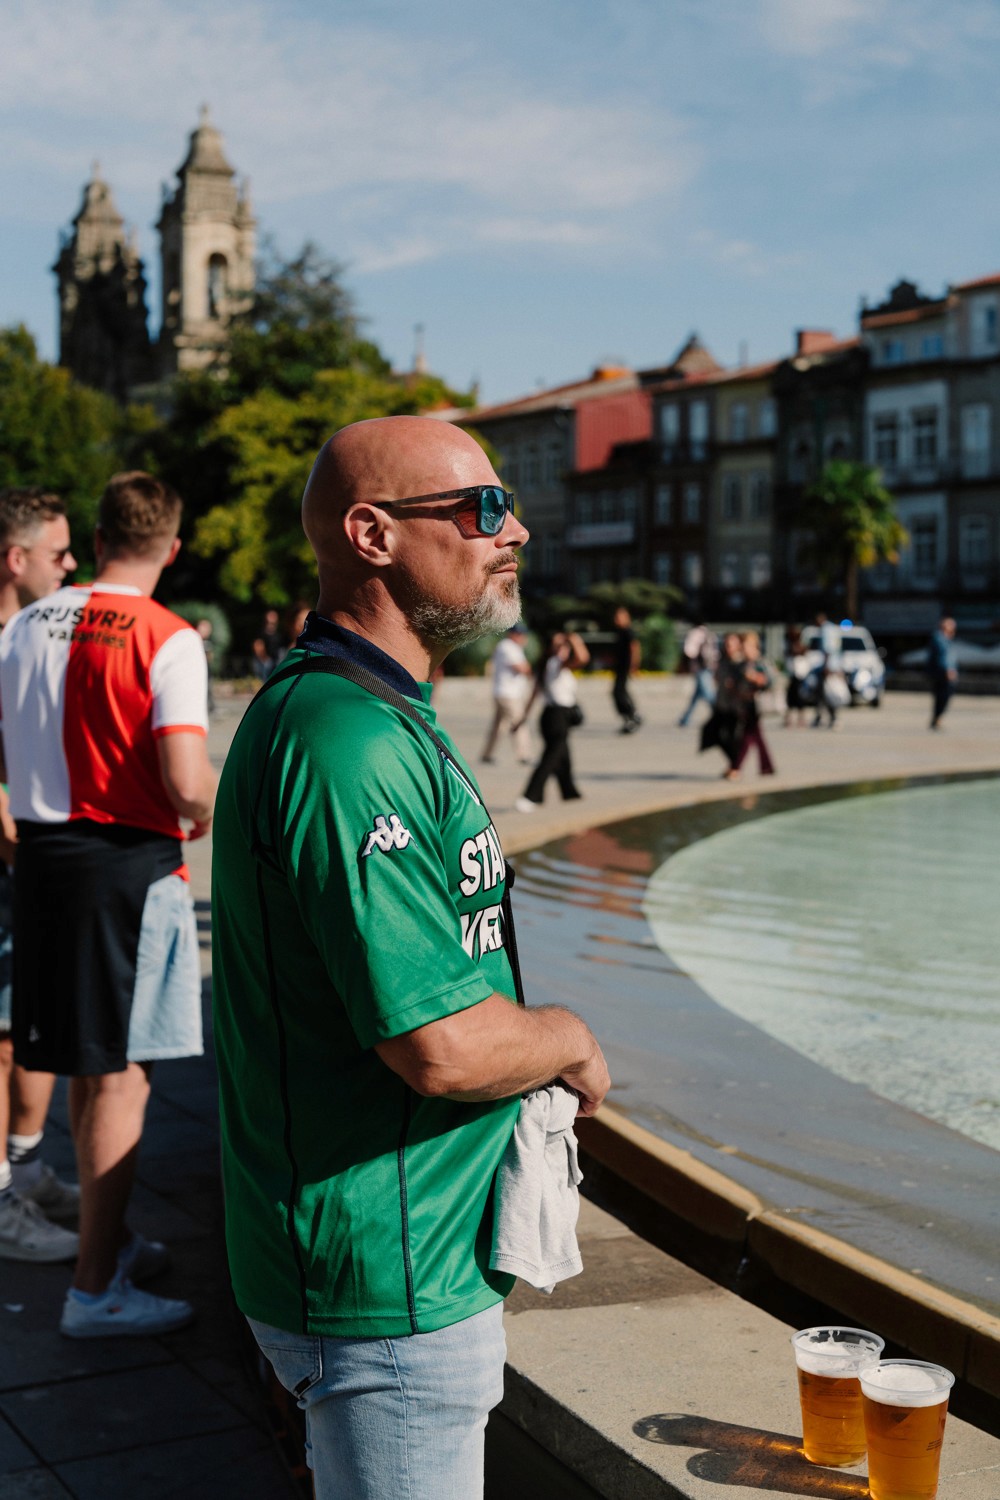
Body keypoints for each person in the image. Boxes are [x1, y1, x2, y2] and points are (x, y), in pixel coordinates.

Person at [211, 416, 610, 1500]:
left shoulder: (377, 711)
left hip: (408, 1253)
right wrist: (567, 1036)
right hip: (385, 1281)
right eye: (482, 509)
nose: (513, 530)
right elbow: (439, 1046)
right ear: (372, 534)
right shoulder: (345, 740)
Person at [0, 472, 216, 1336]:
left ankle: (106, 1242)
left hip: (41, 867)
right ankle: (94, 1291)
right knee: (123, 1079)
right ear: (172, 546)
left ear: (95, 540)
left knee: (88, 1067)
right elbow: (185, 783)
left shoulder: (21, 626)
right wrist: (216, 807)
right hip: (128, 871)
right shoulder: (168, 636)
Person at [0, 489, 82, 1264]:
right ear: (13, 558)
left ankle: (22, 1173)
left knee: (22, 1030)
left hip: (30, 862)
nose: (71, 564)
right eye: (58, 553)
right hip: (16, 862)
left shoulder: (29, 637)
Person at [515, 629, 590, 810]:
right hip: (557, 717)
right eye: (559, 645)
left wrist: (522, 718)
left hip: (552, 716)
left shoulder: (546, 665)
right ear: (551, 648)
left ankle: (570, 792)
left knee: (563, 754)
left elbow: (534, 695)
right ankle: (530, 796)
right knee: (551, 758)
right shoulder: (556, 663)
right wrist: (574, 639)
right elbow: (583, 658)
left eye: (565, 645)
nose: (563, 648)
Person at [481, 622, 533, 764]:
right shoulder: (508, 647)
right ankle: (524, 755)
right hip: (508, 694)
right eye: (521, 635)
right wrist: (527, 668)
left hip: (504, 692)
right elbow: (521, 668)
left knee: (499, 726)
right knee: (519, 722)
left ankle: (487, 754)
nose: (523, 638)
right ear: (513, 634)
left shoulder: (510, 647)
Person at [731, 631, 776, 778]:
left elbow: (771, 681)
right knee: (756, 736)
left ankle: (736, 767)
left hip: (756, 704)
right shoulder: (743, 663)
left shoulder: (760, 663)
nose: (744, 650)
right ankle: (767, 767)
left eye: (746, 646)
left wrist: (757, 678)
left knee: (748, 735)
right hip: (745, 703)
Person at [700, 632, 743, 778]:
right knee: (714, 732)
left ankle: (735, 767)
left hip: (736, 707)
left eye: (731, 645)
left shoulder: (741, 663)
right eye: (726, 645)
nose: (728, 648)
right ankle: (734, 765)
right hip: (722, 705)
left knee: (732, 737)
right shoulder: (723, 661)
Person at [678, 619, 718, 727]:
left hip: (700, 667)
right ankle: (685, 718)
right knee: (696, 696)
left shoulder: (694, 633)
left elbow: (689, 651)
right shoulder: (708, 632)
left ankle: (719, 713)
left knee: (707, 694)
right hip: (709, 666)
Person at [611, 605, 642, 733]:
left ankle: (632, 715)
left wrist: (634, 666)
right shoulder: (620, 631)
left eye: (619, 617)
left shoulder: (628, 632)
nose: (616, 619)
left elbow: (635, 648)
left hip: (625, 667)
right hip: (620, 667)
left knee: (619, 693)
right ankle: (629, 716)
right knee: (619, 692)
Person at [928, 616, 958, 729]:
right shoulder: (940, 638)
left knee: (942, 697)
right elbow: (943, 656)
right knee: (943, 696)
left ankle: (937, 719)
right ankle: (937, 718)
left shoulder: (947, 639)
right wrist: (948, 670)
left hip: (943, 672)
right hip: (942, 673)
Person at [251, 607, 282, 680]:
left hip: (276, 662)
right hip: (265, 662)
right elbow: (257, 646)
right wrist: (265, 659)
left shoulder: (278, 635)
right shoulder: (261, 633)